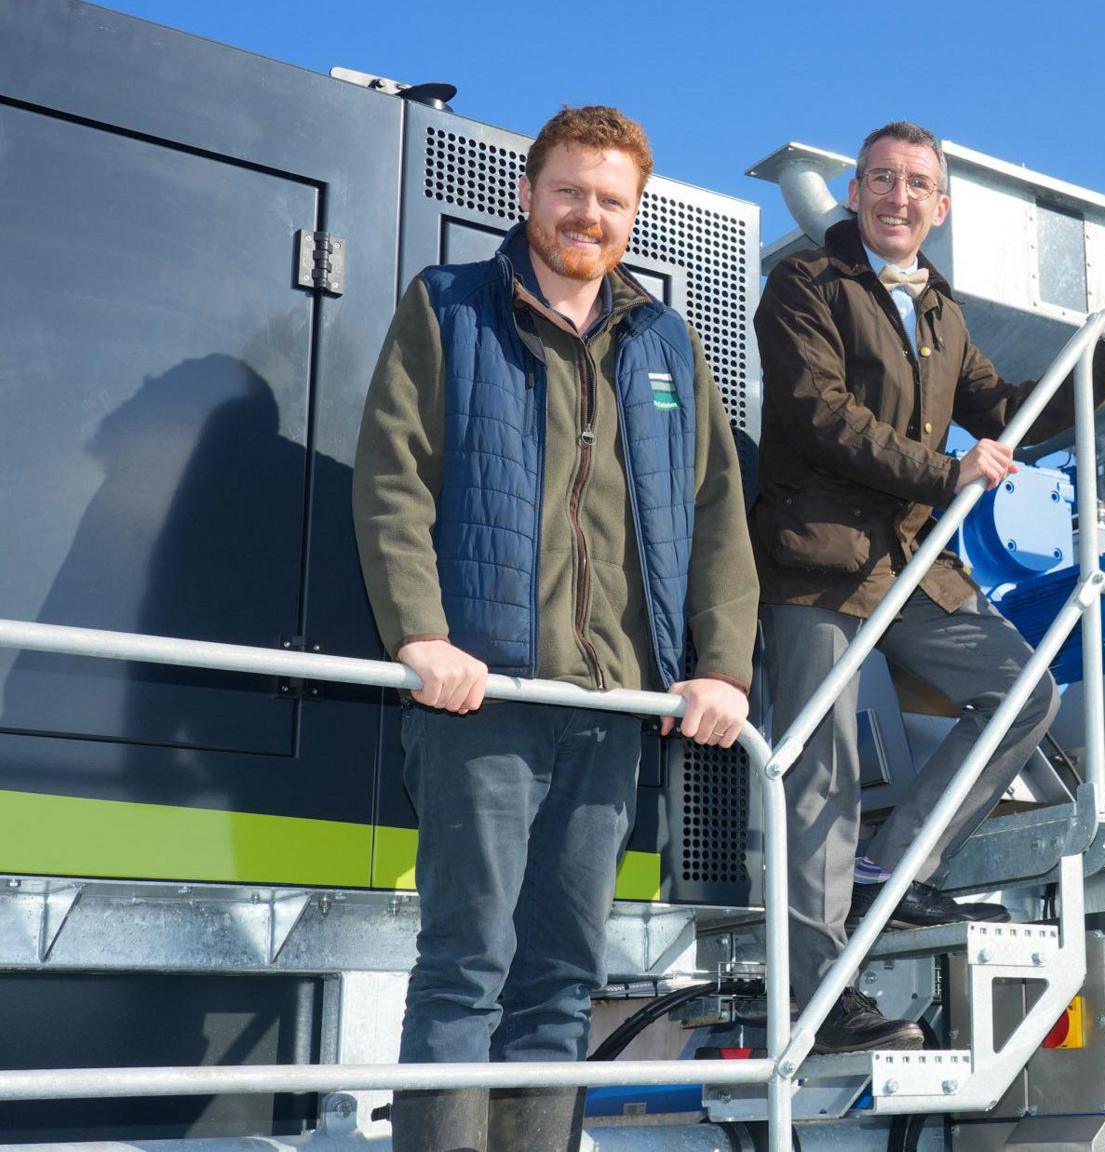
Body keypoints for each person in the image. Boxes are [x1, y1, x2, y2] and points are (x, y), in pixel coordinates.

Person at [352, 105, 758, 1152]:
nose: (589, 213)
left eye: (611, 200)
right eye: (570, 190)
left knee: (562, 978)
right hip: (479, 699)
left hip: (611, 710)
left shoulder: (664, 341)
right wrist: (420, 636)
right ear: (527, 193)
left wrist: (720, 667)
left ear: (635, 215)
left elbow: (716, 510)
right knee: (465, 965)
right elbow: (394, 480)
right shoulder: (449, 308)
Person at [752, 120, 1105, 1053]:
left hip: (907, 559)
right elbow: (820, 416)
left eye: (918, 185)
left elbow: (1011, 413)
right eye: (883, 179)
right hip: (817, 558)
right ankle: (820, 1005)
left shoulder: (939, 309)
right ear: (855, 193)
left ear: (940, 209)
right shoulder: (806, 285)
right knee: (822, 778)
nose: (899, 196)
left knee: (1023, 691)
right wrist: (947, 475)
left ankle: (890, 875)